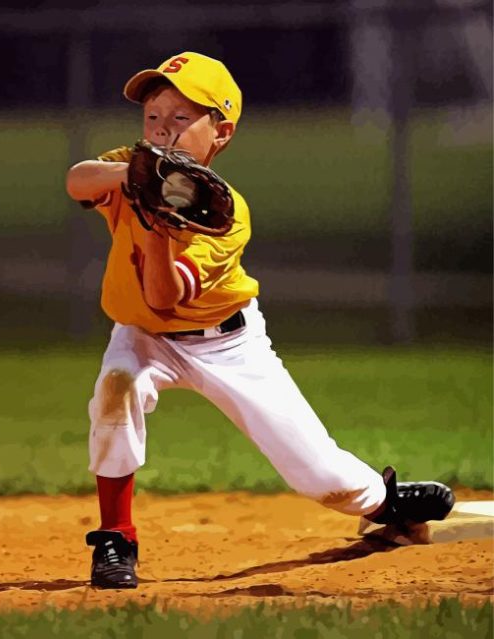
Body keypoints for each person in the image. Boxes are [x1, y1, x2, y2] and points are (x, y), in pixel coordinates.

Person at [66, 52, 455, 589]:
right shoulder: (133, 165)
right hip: (141, 337)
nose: (162, 130)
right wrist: (134, 175)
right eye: (153, 117)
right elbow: (78, 181)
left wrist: (155, 224)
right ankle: (116, 539)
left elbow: (162, 297)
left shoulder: (223, 214)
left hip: (228, 346)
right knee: (116, 390)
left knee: (321, 477)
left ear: (220, 133)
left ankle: (387, 504)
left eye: (181, 119)